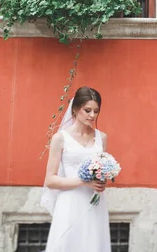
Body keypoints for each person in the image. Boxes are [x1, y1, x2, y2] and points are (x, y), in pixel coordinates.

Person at [40, 86, 111, 252]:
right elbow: (50, 180)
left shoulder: (102, 138)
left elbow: (102, 168)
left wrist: (103, 180)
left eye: (96, 111)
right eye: (87, 110)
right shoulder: (60, 139)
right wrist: (84, 182)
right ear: (75, 109)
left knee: (93, 244)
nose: (92, 115)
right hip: (70, 202)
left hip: (94, 203)